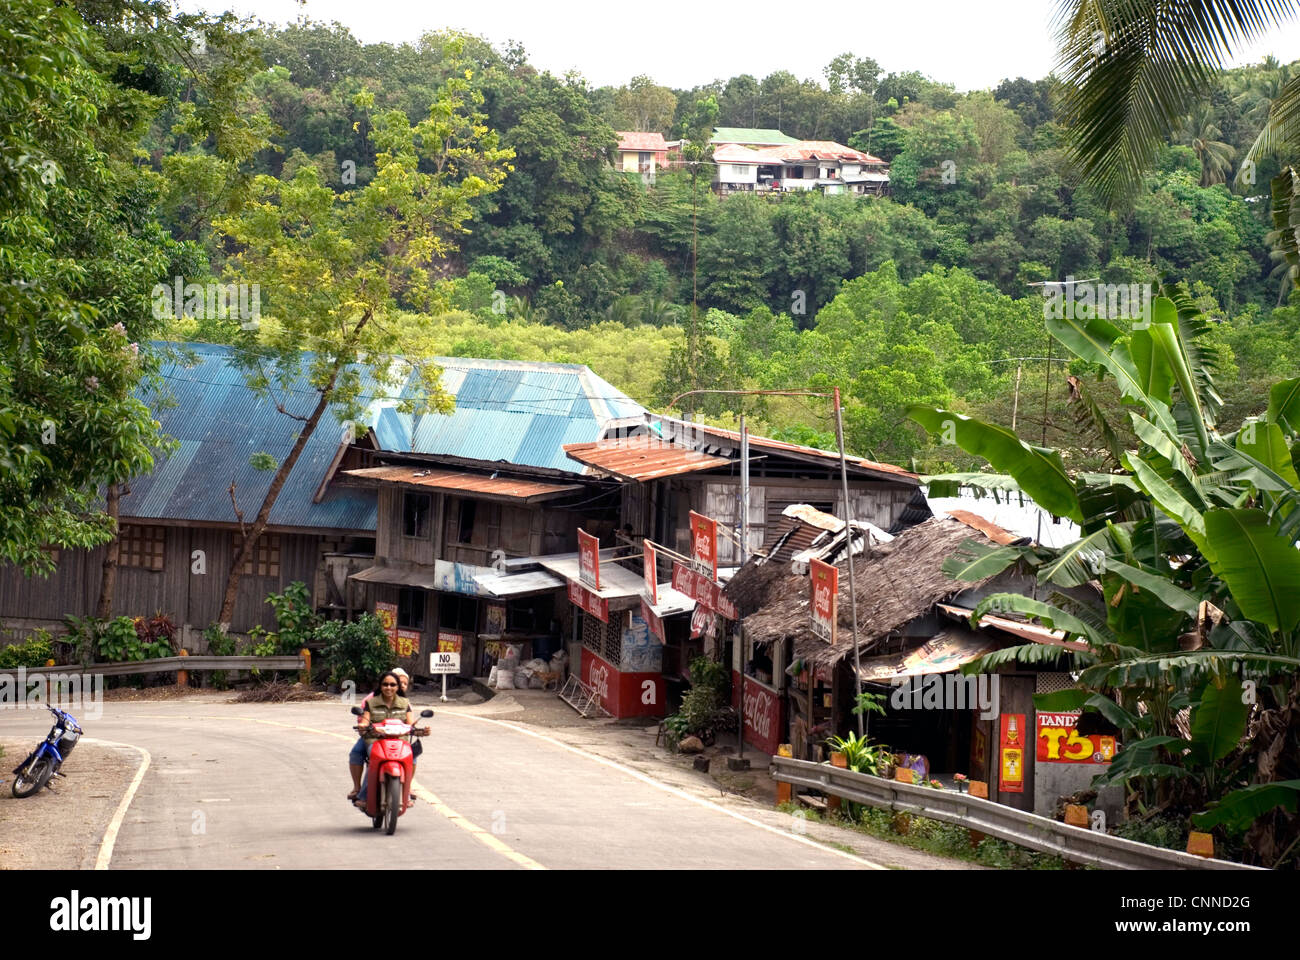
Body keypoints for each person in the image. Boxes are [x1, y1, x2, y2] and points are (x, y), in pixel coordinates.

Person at [350, 671, 427, 807]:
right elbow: (365, 720)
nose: (389, 688)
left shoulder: (405, 703)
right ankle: (361, 793)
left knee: (411, 756)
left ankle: (406, 791)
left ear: (398, 687)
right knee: (371, 759)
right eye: (385, 684)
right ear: (380, 686)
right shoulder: (371, 702)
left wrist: (421, 730)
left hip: (399, 740)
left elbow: (410, 724)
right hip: (375, 740)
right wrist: (363, 725)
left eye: (392, 685)